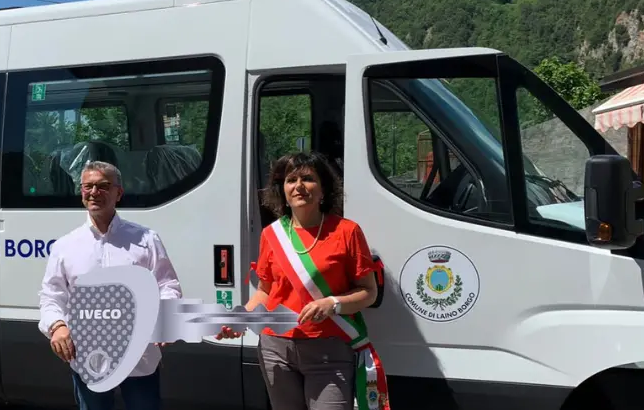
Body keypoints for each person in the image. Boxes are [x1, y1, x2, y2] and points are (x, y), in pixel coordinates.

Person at [217, 152, 389, 410]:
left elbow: (368, 292)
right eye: (291, 180)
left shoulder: (347, 232)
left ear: (323, 189)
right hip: (275, 349)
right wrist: (242, 318)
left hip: (329, 350)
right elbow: (265, 291)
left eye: (308, 179)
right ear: (282, 191)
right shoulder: (271, 235)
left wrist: (333, 303)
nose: (298, 186)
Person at [37, 160, 183, 410]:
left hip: (140, 357)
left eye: (103, 186)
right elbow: (52, 295)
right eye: (88, 186)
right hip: (88, 357)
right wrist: (57, 326)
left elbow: (167, 285)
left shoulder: (145, 239)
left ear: (118, 193)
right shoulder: (66, 246)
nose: (94, 193)